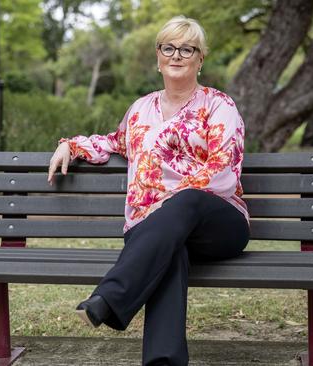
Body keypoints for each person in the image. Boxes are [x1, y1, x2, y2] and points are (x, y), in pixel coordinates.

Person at [47, 15, 250, 366]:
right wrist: (72, 145)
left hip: (217, 223)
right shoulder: (141, 110)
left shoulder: (219, 106)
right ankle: (163, 362)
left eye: (187, 49)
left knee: (184, 203)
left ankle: (110, 297)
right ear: (158, 57)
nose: (176, 55)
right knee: (169, 249)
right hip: (156, 233)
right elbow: (114, 143)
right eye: (168, 47)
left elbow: (222, 172)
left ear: (200, 59)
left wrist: (169, 205)